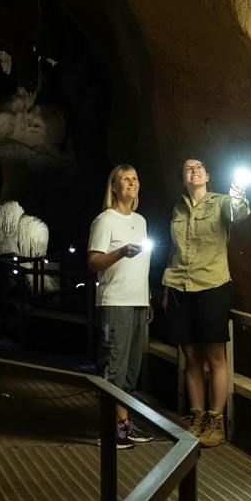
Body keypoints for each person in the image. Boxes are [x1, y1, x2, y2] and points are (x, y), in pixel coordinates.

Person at [161, 157, 248, 447]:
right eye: (188, 168)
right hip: (179, 287)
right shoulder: (177, 208)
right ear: (183, 178)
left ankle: (216, 420)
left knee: (215, 357)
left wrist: (239, 195)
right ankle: (196, 416)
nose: (194, 171)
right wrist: (166, 288)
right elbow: (173, 250)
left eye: (199, 167)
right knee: (191, 357)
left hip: (212, 286)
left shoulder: (222, 202)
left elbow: (238, 213)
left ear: (208, 175)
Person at [86, 164, 156, 447]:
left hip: (137, 301)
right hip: (115, 302)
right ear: (113, 187)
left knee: (131, 368)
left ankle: (124, 421)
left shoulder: (141, 221)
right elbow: (93, 263)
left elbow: (143, 265)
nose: (132, 182)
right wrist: (120, 252)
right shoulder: (104, 221)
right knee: (113, 365)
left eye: (135, 178)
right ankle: (109, 428)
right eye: (125, 179)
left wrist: (147, 297)